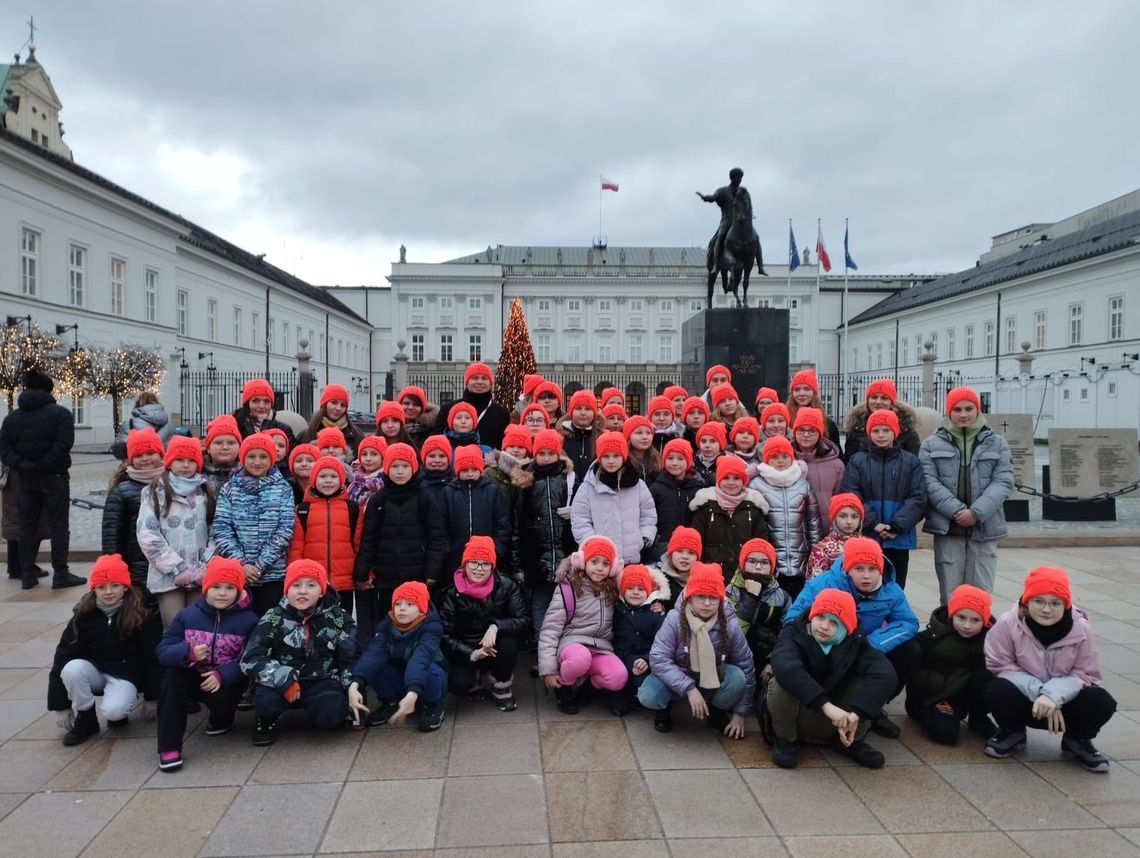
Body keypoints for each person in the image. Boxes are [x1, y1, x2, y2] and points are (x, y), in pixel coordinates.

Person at [983, 566, 1117, 772]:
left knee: (1101, 701)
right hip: (1028, 701)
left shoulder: (1081, 628)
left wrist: (1054, 696)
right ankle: (1013, 731)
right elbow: (999, 664)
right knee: (994, 688)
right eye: (1039, 601)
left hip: (1065, 705)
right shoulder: (1008, 623)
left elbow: (1086, 674)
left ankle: (1077, 739)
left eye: (1055, 603)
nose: (1047, 610)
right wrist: (1041, 693)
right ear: (1027, 602)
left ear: (1066, 604)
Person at [784, 537, 920, 739]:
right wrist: (822, 636)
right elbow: (793, 618)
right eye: (859, 569)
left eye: (872, 569)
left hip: (867, 645)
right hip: (830, 645)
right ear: (848, 569)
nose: (867, 576)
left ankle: (875, 707)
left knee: (912, 650)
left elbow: (909, 622)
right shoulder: (823, 584)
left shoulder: (890, 590)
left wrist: (875, 642)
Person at [766, 588, 895, 769]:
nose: (824, 626)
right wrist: (826, 706)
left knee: (869, 681)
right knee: (782, 680)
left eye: (834, 622)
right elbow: (785, 665)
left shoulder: (855, 641)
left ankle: (850, 740)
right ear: (812, 616)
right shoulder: (794, 632)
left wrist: (856, 714)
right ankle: (786, 740)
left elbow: (885, 674)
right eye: (820, 617)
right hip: (800, 715)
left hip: (839, 722)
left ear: (846, 626)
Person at [154, 557, 258, 771]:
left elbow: (251, 657)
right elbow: (163, 650)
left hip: (224, 681)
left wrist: (223, 674)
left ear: (239, 591)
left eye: (230, 588)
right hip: (191, 676)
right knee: (172, 677)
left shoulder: (249, 620)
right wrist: (187, 653)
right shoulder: (186, 616)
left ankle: (222, 718)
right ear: (205, 589)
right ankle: (169, 746)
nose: (222, 593)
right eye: (216, 587)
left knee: (224, 702)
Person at [241, 559, 359, 745]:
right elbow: (250, 658)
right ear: (287, 590)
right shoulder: (273, 617)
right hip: (282, 680)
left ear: (322, 591)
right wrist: (283, 678)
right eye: (296, 585)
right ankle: (267, 720)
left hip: (321, 679)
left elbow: (349, 659)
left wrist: (354, 690)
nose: (303, 590)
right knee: (266, 702)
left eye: (311, 585)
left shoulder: (338, 618)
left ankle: (324, 709)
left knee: (332, 716)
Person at [47, 554, 162, 746]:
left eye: (115, 586)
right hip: (94, 669)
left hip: (125, 673)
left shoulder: (141, 615)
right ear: (94, 590)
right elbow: (63, 656)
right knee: (71, 669)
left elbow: (152, 657)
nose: (108, 592)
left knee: (115, 712)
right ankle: (86, 718)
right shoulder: (83, 615)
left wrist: (152, 697)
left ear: (125, 587)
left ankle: (119, 709)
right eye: (101, 587)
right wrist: (60, 705)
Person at [638, 563, 756, 738]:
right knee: (649, 694)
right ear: (690, 596)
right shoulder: (674, 619)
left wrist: (740, 714)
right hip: (679, 674)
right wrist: (689, 689)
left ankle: (716, 711)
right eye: (701, 596)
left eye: (713, 598)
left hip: (712, 676)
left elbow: (746, 665)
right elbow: (658, 658)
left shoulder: (730, 624)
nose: (707, 603)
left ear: (721, 599)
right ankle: (664, 710)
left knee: (737, 677)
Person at [919, 386, 1014, 604]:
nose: (963, 414)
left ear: (977, 410)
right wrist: (957, 510)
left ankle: (979, 637)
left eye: (969, 408)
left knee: (980, 592)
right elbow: (929, 482)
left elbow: (1003, 480)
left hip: (984, 526)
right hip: (948, 527)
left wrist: (976, 512)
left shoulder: (997, 443)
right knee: (950, 594)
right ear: (949, 412)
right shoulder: (932, 444)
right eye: (957, 409)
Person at [353, 443, 446, 643]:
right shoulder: (379, 500)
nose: (400, 471)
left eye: (405, 466)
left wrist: (432, 571)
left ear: (413, 468)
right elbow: (369, 538)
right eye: (395, 466)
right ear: (387, 468)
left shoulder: (424, 498)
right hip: (386, 575)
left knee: (417, 621)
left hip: (417, 574)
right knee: (387, 620)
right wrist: (362, 571)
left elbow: (436, 536)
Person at [0, 370, 85, 589]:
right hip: (54, 477)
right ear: (49, 389)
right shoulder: (61, 414)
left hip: (25, 478)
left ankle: (27, 574)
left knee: (27, 526)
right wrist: (44, 464)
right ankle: (61, 573)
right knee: (58, 525)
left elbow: (4, 449)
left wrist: (22, 464)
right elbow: (63, 443)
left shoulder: (12, 418)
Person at [538, 535, 628, 714]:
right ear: (582, 561)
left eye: (605, 564)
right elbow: (550, 629)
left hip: (600, 647)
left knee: (619, 677)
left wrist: (656, 602)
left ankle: (588, 683)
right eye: (594, 561)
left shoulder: (613, 588)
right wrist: (548, 669)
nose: (600, 568)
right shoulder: (568, 588)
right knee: (579, 659)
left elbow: (641, 585)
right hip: (573, 645)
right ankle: (564, 687)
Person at [438, 536, 529, 711]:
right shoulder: (451, 593)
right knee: (458, 684)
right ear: (465, 564)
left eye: (485, 564)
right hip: (466, 647)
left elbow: (523, 620)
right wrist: (472, 653)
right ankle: (475, 678)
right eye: (474, 563)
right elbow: (445, 633)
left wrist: (496, 627)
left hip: (495, 644)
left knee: (509, 644)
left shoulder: (507, 585)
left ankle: (501, 685)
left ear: (493, 566)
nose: (479, 569)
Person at [211, 434, 296, 615]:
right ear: (242, 458)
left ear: (272, 459)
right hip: (237, 574)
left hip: (272, 573)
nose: (257, 462)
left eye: (263, 456)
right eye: (251, 456)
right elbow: (221, 529)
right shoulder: (230, 488)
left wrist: (259, 565)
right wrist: (242, 563)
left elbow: (285, 529)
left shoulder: (283, 489)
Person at [841, 409, 926, 589]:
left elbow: (918, 497)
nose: (881, 435)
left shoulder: (910, 462)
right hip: (867, 534)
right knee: (864, 584)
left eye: (886, 430)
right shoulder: (858, 460)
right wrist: (873, 523)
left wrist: (896, 525)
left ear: (894, 432)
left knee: (895, 586)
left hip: (898, 537)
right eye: (876, 431)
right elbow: (852, 493)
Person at [347, 580, 448, 731]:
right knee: (375, 666)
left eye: (409, 604)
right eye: (398, 604)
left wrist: (413, 692)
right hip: (401, 677)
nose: (402, 609)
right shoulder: (386, 625)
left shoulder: (431, 628)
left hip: (424, 679)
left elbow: (420, 659)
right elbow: (373, 653)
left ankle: (432, 705)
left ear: (421, 610)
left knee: (430, 671)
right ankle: (390, 702)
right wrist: (355, 684)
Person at [138, 435, 216, 626]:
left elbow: (215, 531)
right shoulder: (154, 492)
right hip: (168, 577)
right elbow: (148, 534)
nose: (186, 465)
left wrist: (204, 567)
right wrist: (177, 568)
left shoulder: (206, 491)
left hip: (200, 574)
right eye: (180, 460)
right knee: (173, 627)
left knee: (198, 627)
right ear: (169, 462)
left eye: (191, 460)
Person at [906, 584, 997, 745]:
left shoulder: (989, 639)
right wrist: (938, 685)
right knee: (946, 735)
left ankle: (978, 717)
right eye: (961, 617)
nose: (967, 625)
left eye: (975, 620)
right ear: (951, 614)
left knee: (988, 673)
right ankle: (920, 709)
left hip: (963, 692)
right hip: (935, 693)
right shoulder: (932, 637)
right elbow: (915, 672)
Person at [512, 428, 571, 636]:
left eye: (551, 453)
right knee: (540, 602)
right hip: (535, 552)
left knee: (565, 601)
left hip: (563, 549)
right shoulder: (526, 483)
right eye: (541, 453)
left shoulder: (567, 479)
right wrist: (518, 560)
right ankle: (540, 644)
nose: (546, 458)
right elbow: (517, 523)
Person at [288, 456, 363, 615]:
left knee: (343, 622)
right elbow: (296, 547)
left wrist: (363, 573)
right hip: (312, 582)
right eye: (322, 476)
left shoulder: (352, 509)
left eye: (333, 476)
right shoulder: (303, 509)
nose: (328, 481)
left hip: (344, 582)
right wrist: (296, 574)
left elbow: (359, 544)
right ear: (314, 480)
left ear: (342, 480)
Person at [570, 431, 657, 565]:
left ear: (624, 456)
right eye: (606, 456)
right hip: (601, 561)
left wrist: (644, 538)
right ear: (599, 458)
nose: (611, 461)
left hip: (632, 558)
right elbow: (580, 519)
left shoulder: (637, 485)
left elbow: (648, 514)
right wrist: (592, 543)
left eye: (616, 456)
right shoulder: (588, 487)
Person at [749, 436, 822, 595]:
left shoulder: (803, 484)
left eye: (784, 456)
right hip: (771, 563)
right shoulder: (756, 485)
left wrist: (814, 553)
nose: (780, 461)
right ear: (767, 459)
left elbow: (813, 522)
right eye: (775, 457)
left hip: (800, 560)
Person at [103, 428, 166, 593]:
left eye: (150, 453)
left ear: (161, 454)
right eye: (138, 455)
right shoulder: (121, 490)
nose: (145, 459)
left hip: (170, 563)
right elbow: (112, 537)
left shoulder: (173, 483)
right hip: (137, 566)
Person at [690, 455, 769, 579]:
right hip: (711, 575)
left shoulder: (753, 509)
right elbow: (696, 542)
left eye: (736, 478)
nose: (731, 483)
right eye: (726, 478)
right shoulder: (705, 507)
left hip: (744, 577)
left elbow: (762, 544)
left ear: (743, 480)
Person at [725, 538, 789, 684]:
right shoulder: (730, 592)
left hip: (767, 659)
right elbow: (731, 634)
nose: (758, 567)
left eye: (764, 562)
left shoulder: (782, 597)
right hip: (735, 658)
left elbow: (788, 632)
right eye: (752, 561)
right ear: (743, 563)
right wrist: (751, 597)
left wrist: (774, 661)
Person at [439, 445, 511, 574]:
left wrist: (497, 549)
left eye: (474, 469)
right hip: (456, 557)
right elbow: (440, 525)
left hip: (486, 557)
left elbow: (502, 522)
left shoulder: (491, 491)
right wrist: (447, 549)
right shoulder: (448, 492)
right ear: (458, 471)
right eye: (465, 470)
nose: (470, 474)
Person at [611, 563, 669, 718]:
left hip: (645, 660)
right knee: (618, 689)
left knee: (643, 683)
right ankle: (625, 695)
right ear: (623, 590)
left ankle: (662, 709)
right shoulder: (617, 609)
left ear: (649, 591)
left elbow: (662, 644)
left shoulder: (655, 613)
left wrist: (647, 660)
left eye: (641, 589)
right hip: (621, 658)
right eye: (630, 588)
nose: (635, 592)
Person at [434, 362, 511, 450]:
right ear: (467, 382)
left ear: (490, 383)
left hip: (490, 462)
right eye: (475, 378)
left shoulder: (501, 413)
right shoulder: (448, 409)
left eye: (484, 378)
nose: (480, 382)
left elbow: (504, 446)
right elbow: (437, 441)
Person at [648, 438, 702, 561]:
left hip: (688, 548)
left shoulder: (697, 488)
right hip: (662, 546)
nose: (674, 463)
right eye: (670, 458)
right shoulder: (656, 488)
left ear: (688, 461)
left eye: (680, 458)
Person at [843, 378, 921, 463]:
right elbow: (849, 462)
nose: (878, 402)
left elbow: (913, 463)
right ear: (867, 400)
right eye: (874, 397)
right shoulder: (856, 427)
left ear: (891, 402)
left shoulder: (906, 429)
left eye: (884, 398)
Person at [791, 408, 845, 530]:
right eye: (801, 430)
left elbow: (840, 500)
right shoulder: (783, 461)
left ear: (820, 433)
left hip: (825, 528)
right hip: (794, 531)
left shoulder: (836, 465)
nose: (806, 434)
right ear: (794, 432)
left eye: (812, 430)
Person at [806, 493, 864, 580]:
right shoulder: (821, 549)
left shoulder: (867, 545)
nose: (849, 521)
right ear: (834, 518)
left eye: (854, 516)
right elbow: (814, 586)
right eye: (843, 516)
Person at [300, 383, 365, 456]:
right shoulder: (306, 434)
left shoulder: (356, 434)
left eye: (343, 405)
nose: (338, 408)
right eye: (334, 402)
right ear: (325, 404)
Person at [111, 391, 176, 460]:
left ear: (138, 403)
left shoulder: (130, 424)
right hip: (161, 467)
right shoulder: (169, 426)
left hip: (139, 465)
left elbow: (119, 450)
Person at [786, 369, 841, 448]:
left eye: (807, 389)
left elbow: (836, 451)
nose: (802, 393)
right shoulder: (785, 420)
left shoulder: (828, 424)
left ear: (814, 392)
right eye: (797, 389)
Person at [232, 378, 296, 444]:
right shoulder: (235, 428)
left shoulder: (284, 430)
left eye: (266, 401)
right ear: (247, 403)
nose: (261, 406)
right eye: (256, 401)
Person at [655, 526, 702, 609]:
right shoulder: (657, 581)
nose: (685, 557)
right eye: (679, 551)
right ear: (671, 553)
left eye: (691, 553)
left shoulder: (703, 582)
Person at [561, 389, 600, 479]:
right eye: (578, 408)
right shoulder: (560, 436)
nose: (583, 413)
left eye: (588, 409)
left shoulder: (602, 436)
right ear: (571, 411)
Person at [202, 414, 241, 494]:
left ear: (239, 447)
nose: (225, 447)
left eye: (231, 443)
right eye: (218, 443)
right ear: (208, 448)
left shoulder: (248, 475)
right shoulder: (198, 478)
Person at [347, 435, 387, 510]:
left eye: (374, 454)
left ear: (382, 458)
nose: (368, 459)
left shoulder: (387, 482)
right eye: (364, 454)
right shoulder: (353, 481)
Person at [397, 385, 440, 451]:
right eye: (406, 403)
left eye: (416, 404)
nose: (410, 407)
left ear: (422, 408)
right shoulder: (392, 429)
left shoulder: (434, 431)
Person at [624, 415, 661, 482]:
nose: (645, 437)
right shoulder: (624, 461)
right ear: (628, 437)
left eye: (648, 433)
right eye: (639, 433)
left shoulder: (657, 459)